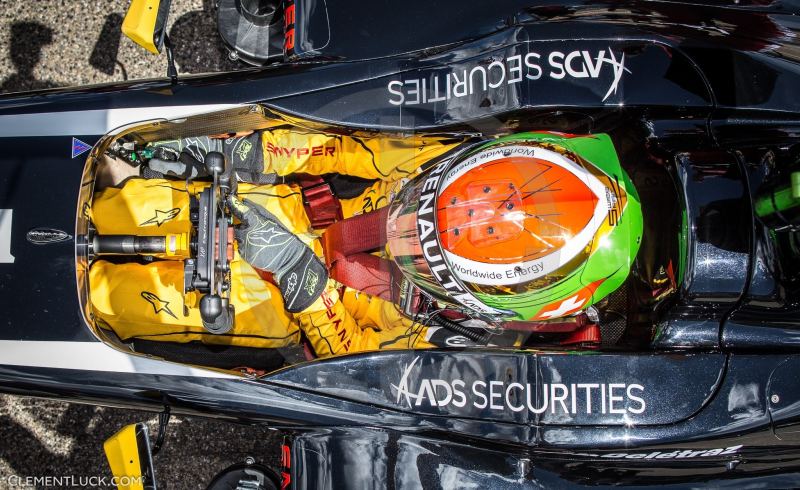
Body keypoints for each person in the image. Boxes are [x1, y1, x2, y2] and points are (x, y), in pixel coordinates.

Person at [89, 126, 643, 358]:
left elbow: (354, 362)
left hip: (284, 304)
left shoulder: (459, 348)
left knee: (111, 300)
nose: (404, 232)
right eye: (424, 208)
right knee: (125, 205)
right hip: (279, 208)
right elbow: (337, 149)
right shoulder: (438, 155)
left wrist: (304, 284)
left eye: (427, 253)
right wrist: (243, 155)